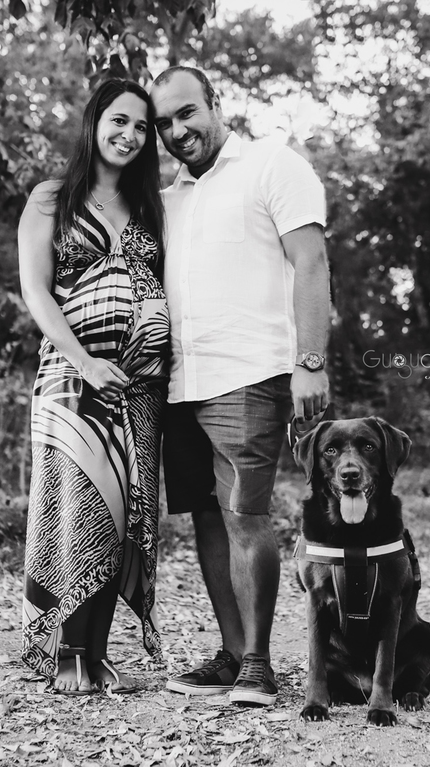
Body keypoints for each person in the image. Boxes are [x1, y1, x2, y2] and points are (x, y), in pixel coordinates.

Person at [150, 66, 331, 706]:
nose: (177, 131)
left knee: (244, 515)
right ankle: (231, 655)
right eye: (164, 123)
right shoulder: (168, 200)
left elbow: (310, 261)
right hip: (179, 383)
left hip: (249, 374)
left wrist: (310, 361)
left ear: (215, 103)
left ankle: (259, 665)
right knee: (205, 516)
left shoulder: (271, 166)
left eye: (187, 113)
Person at [18, 78, 169, 695]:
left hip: (139, 388)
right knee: (75, 506)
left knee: (122, 516)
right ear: (94, 121)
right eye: (120, 121)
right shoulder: (51, 198)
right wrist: (85, 362)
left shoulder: (150, 206)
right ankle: (67, 651)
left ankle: (97, 652)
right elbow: (36, 291)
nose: (130, 135)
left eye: (142, 127)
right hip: (72, 378)